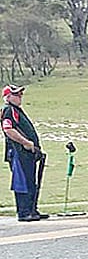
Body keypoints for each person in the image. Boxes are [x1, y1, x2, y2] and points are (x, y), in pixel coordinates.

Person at [3, 85, 48, 221]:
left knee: (30, 181)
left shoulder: (16, 110)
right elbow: (8, 129)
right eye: (16, 94)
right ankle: (24, 212)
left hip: (26, 153)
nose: (19, 97)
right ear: (8, 97)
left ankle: (32, 209)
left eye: (20, 94)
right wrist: (25, 142)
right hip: (19, 152)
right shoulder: (9, 110)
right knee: (22, 181)